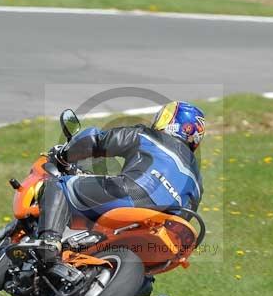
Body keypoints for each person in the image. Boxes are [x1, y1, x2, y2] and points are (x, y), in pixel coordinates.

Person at [35, 101, 206, 266]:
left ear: (173, 123)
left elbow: (97, 141)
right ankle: (140, 287)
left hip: (133, 194)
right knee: (146, 271)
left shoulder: (147, 136)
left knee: (58, 185)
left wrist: (64, 154)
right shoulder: (198, 182)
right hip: (165, 227)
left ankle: (49, 241)